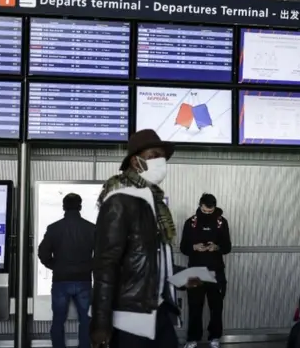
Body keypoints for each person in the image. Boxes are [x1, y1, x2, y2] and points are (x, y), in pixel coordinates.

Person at [90, 129, 194, 348]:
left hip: (157, 312)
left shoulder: (151, 202)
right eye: (154, 155)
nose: (161, 161)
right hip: (130, 320)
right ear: (136, 162)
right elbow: (105, 265)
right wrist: (101, 325)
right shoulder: (120, 201)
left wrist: (181, 276)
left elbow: (148, 260)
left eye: (162, 156)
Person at [38, 193, 95, 348]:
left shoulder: (54, 228)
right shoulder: (91, 228)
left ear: (63, 207)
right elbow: (102, 254)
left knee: (58, 320)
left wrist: (55, 266)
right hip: (83, 280)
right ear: (80, 206)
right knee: (85, 319)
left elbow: (42, 253)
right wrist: (90, 266)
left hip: (60, 280)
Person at [180, 193, 232, 348]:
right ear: (200, 205)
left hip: (216, 270)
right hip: (195, 270)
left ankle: (214, 337)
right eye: (205, 210)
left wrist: (216, 247)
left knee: (216, 306)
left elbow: (227, 247)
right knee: (194, 306)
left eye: (211, 210)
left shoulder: (221, 223)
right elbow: (183, 247)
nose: (208, 213)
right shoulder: (191, 223)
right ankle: (192, 338)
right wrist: (194, 247)